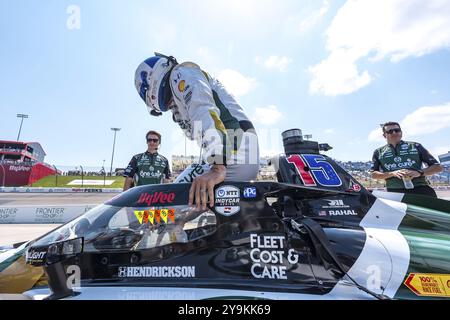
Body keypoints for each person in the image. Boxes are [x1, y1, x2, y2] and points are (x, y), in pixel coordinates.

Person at [134, 53, 260, 209]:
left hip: (235, 148)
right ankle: (176, 228)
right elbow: (195, 132)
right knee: (183, 208)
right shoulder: (180, 85)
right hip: (237, 148)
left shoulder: (181, 73)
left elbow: (204, 111)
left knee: (167, 204)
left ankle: (146, 227)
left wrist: (217, 167)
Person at [370, 121, 443, 197]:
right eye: (390, 131)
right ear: (384, 135)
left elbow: (438, 167)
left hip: (421, 189)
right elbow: (373, 175)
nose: (394, 133)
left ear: (401, 132)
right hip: (395, 192)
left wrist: (419, 172)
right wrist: (392, 173)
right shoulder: (378, 152)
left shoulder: (415, 146)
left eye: (397, 130)